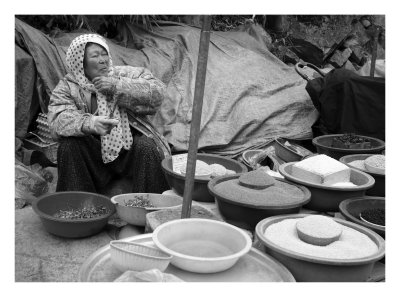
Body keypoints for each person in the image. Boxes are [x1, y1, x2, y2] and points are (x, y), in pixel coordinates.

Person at [48, 34, 171, 194]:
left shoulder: (125, 74)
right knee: (68, 147)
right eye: (95, 55)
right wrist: (90, 124)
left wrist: (118, 86)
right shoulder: (68, 87)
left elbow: (158, 92)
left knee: (147, 147)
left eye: (104, 53)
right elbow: (57, 120)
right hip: (93, 153)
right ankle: (78, 207)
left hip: (128, 149)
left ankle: (150, 207)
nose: (102, 60)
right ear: (81, 63)